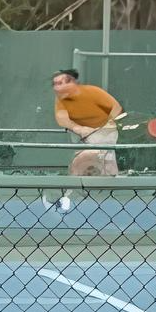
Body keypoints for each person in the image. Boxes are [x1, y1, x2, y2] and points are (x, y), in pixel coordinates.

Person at [50, 67, 122, 211]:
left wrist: (107, 125)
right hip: (86, 137)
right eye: (55, 84)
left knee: (88, 163)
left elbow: (115, 108)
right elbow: (62, 118)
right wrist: (78, 128)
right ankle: (72, 198)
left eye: (61, 83)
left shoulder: (93, 92)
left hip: (105, 133)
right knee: (90, 166)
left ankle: (70, 199)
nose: (57, 87)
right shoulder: (61, 100)